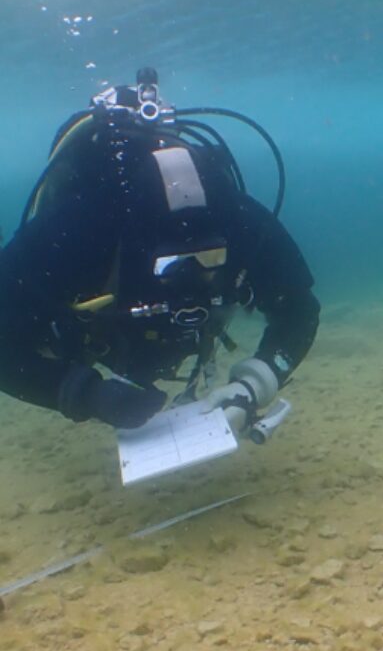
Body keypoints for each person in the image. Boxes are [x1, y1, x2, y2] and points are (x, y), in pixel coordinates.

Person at [0, 69, 319, 436]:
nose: (194, 277)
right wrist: (85, 393)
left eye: (212, 259)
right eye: (174, 266)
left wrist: (252, 385)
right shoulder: (79, 232)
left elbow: (299, 307)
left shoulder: (238, 219)